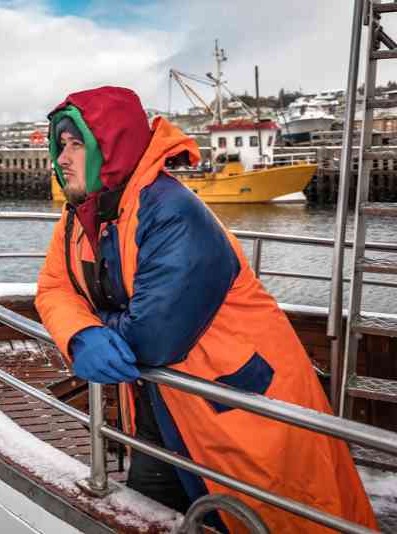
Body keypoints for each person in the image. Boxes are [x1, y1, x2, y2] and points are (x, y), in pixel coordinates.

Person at [35, 86, 377, 533]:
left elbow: (153, 338)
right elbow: (53, 287)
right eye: (60, 146)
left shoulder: (172, 212)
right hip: (165, 410)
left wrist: (95, 323)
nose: (62, 159)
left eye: (76, 144)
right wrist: (80, 335)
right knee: (152, 510)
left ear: (111, 145)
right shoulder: (82, 217)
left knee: (284, 518)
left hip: (240, 410)